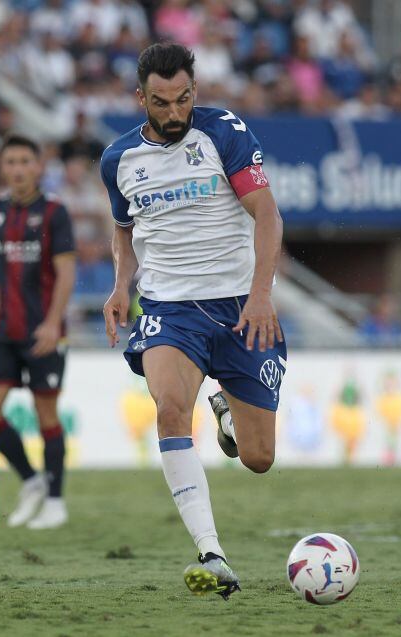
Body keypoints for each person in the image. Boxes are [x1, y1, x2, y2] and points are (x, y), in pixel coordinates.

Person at [100, 43, 285, 599]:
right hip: (168, 308)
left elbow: (267, 212)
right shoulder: (118, 160)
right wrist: (118, 285)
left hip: (238, 305)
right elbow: (125, 228)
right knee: (170, 408)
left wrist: (261, 294)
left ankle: (227, 405)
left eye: (184, 98)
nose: (176, 112)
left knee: (258, 459)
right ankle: (212, 553)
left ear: (194, 91)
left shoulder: (223, 132)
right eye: (162, 103)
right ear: (141, 99)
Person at [0, 135, 76, 530]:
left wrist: (52, 321)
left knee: (47, 415)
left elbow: (66, 272)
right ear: (2, 167)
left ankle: (56, 500)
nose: (18, 168)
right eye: (10, 161)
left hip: (43, 331)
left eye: (25, 160)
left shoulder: (55, 213)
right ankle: (32, 480)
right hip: (4, 330)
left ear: (38, 166)